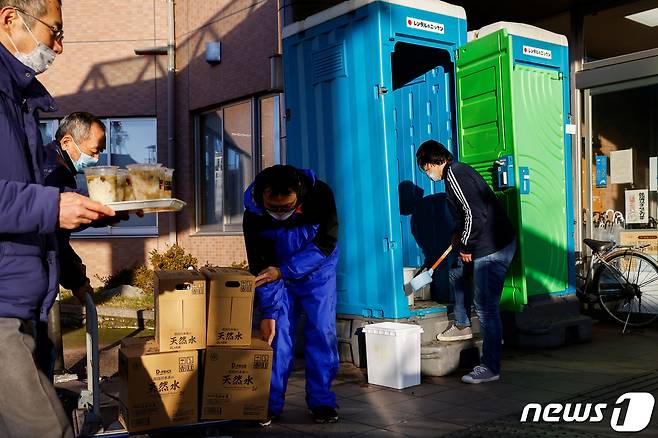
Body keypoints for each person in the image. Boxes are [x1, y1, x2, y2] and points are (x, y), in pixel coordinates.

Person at [0, 1, 115, 436]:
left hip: (22, 299)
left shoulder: (20, 99)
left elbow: (32, 204)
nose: (60, 48)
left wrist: (99, 211)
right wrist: (55, 207)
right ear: (11, 18)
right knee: (49, 428)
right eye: (55, 32)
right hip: (3, 309)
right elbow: (39, 205)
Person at [243, 164, 340, 425]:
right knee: (277, 337)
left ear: (298, 196)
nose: (278, 214)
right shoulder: (253, 214)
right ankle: (271, 403)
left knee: (321, 333)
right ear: (261, 195)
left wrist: (286, 270)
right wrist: (269, 311)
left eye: (286, 208)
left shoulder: (320, 196)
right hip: (276, 277)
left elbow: (325, 244)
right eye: (272, 208)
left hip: (318, 274)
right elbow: (261, 267)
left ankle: (322, 402)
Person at [416, 140, 516, 384]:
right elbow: (465, 214)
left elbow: (475, 213)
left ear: (432, 163)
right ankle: (461, 324)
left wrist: (467, 245)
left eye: (426, 168)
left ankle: (490, 367)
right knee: (457, 272)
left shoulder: (455, 174)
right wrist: (457, 235)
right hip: (485, 242)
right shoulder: (455, 175)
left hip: (492, 248)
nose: (428, 173)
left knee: (485, 308)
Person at [44, 112, 107, 303]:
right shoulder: (53, 172)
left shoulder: (55, 164)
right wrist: (76, 280)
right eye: (94, 151)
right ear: (66, 142)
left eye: (101, 152)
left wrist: (74, 266)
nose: (97, 159)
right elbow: (52, 236)